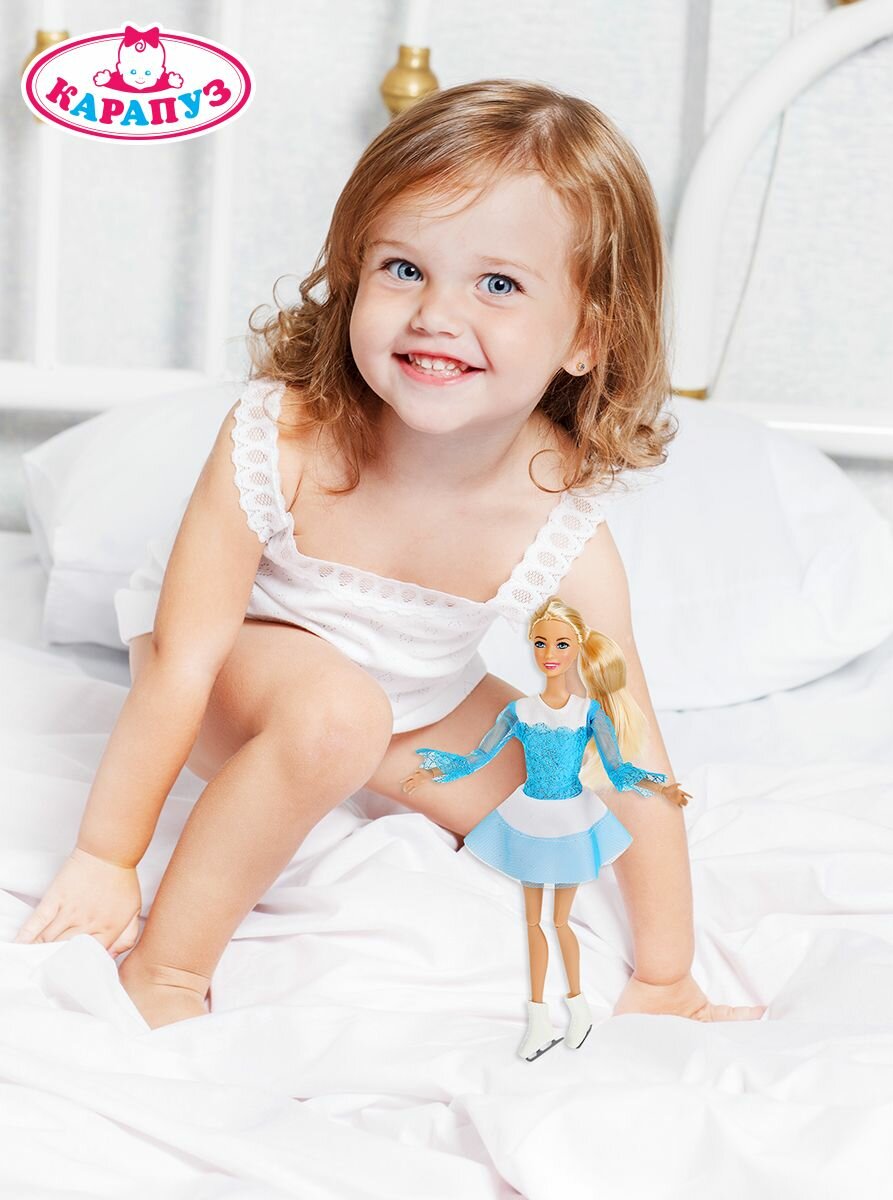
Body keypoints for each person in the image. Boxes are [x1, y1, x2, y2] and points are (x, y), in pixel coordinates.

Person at [14, 79, 766, 1030]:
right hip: (235, 676)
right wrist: (107, 855)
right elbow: (183, 662)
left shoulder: (560, 526)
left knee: (563, 809)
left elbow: (634, 754)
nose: (435, 314)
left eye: (498, 284)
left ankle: (357, 771)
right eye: (404, 268)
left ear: (586, 336)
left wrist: (667, 975)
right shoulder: (281, 439)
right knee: (337, 717)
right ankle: (166, 971)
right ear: (352, 276)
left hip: (414, 698)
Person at [402, 598, 694, 1060]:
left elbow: (617, 770)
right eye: (541, 643)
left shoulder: (589, 713)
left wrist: (661, 787)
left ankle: (577, 1007)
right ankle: (538, 1017)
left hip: (572, 818)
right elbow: (479, 757)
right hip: (528, 815)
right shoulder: (519, 712)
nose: (549, 653)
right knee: (534, 922)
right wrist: (435, 771)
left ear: (577, 647)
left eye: (560, 644)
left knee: (559, 921)